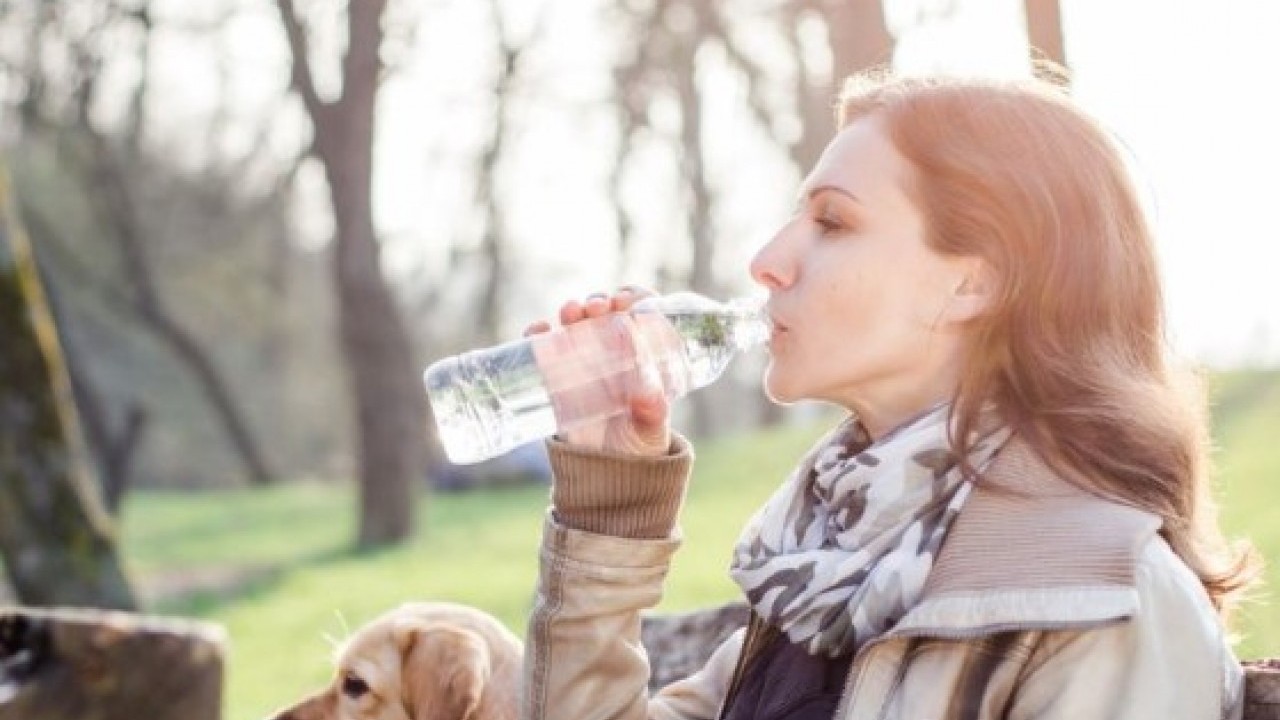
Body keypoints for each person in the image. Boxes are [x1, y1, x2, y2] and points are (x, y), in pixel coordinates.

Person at [518, 69, 1257, 720]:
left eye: (832, 222)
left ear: (975, 281)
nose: (768, 261)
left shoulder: (1106, 602)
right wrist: (609, 504)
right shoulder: (833, 568)